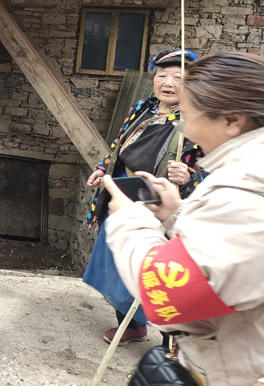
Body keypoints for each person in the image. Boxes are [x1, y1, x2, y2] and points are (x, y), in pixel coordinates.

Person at [104, 51, 264, 386]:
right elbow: (228, 252)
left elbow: (168, 294)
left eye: (188, 118)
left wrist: (129, 221)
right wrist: (176, 214)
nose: (185, 128)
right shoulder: (248, 171)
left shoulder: (247, 189)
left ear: (232, 120)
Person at [83, 48, 205, 346]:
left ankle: (170, 343)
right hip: (124, 196)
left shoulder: (198, 120)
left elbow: (212, 171)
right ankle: (132, 324)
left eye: (179, 77)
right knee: (119, 261)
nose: (168, 83)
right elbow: (119, 146)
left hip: (163, 207)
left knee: (159, 272)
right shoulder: (143, 108)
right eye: (162, 75)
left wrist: (189, 177)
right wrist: (103, 169)